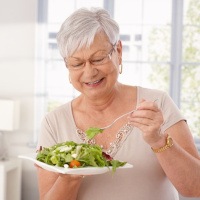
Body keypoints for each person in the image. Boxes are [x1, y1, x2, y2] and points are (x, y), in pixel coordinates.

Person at [36, 7, 200, 200]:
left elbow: (194, 188)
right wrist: (70, 175)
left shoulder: (157, 104)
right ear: (67, 66)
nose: (89, 73)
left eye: (98, 59)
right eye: (77, 64)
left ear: (118, 51)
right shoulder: (54, 122)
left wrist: (158, 140)